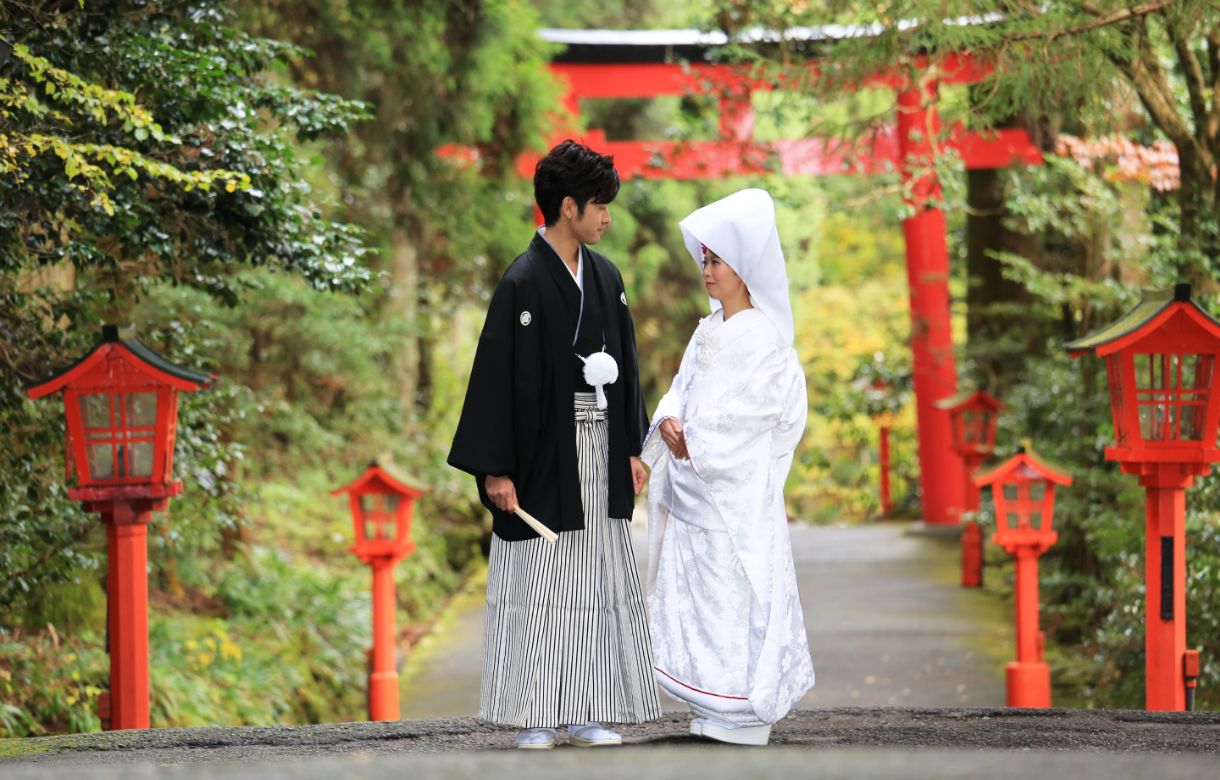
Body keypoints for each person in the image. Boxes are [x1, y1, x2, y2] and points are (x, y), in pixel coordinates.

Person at [447, 139, 661, 750]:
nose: (607, 217)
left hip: (597, 448)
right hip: (541, 456)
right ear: (568, 207)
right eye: (599, 206)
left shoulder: (607, 277)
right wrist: (495, 468)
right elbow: (493, 379)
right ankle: (538, 715)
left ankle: (591, 709)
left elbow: (626, 363)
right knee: (543, 581)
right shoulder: (521, 281)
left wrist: (630, 447)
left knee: (595, 574)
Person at [641, 188, 814, 746]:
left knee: (732, 596)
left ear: (744, 268)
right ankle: (709, 703)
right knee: (699, 596)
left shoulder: (768, 341)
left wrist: (699, 438)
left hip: (733, 495)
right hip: (696, 484)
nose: (706, 271)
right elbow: (680, 388)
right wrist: (669, 420)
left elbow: (763, 414)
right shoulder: (707, 328)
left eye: (715, 261)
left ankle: (741, 706)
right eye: (705, 260)